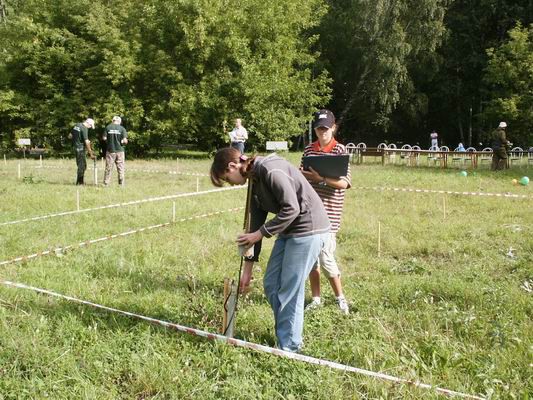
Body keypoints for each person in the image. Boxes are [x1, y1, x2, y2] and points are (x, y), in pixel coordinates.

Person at [210, 148, 330, 352]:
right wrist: (247, 270)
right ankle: (288, 330)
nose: (230, 183)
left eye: (227, 178)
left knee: (290, 289)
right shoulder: (253, 181)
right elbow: (255, 224)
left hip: (309, 228)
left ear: (233, 166)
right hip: (288, 230)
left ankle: (290, 347)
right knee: (271, 283)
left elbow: (292, 208)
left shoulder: (271, 170)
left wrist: (260, 234)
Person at [300, 109, 351, 315]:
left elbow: (343, 183)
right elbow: (301, 176)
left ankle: (341, 299)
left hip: (330, 214)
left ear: (333, 128)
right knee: (312, 259)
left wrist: (320, 179)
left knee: (326, 257)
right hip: (309, 212)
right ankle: (316, 299)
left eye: (326, 128)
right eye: (319, 128)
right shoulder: (308, 151)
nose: (323, 132)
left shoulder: (340, 150)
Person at [102, 116, 128, 186]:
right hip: (120, 151)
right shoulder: (122, 128)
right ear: (119, 121)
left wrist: (109, 141)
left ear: (112, 120)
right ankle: (121, 184)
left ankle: (106, 183)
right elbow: (125, 140)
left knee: (108, 167)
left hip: (110, 150)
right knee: (120, 167)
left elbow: (104, 138)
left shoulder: (108, 127)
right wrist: (123, 142)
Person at [70, 118, 96, 185]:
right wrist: (91, 153)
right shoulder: (84, 128)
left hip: (75, 147)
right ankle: (80, 183)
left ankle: (80, 181)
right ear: (88, 123)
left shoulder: (77, 125)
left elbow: (70, 136)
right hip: (80, 148)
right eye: (90, 126)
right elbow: (87, 142)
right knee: (82, 166)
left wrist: (76, 140)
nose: (90, 127)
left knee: (81, 165)